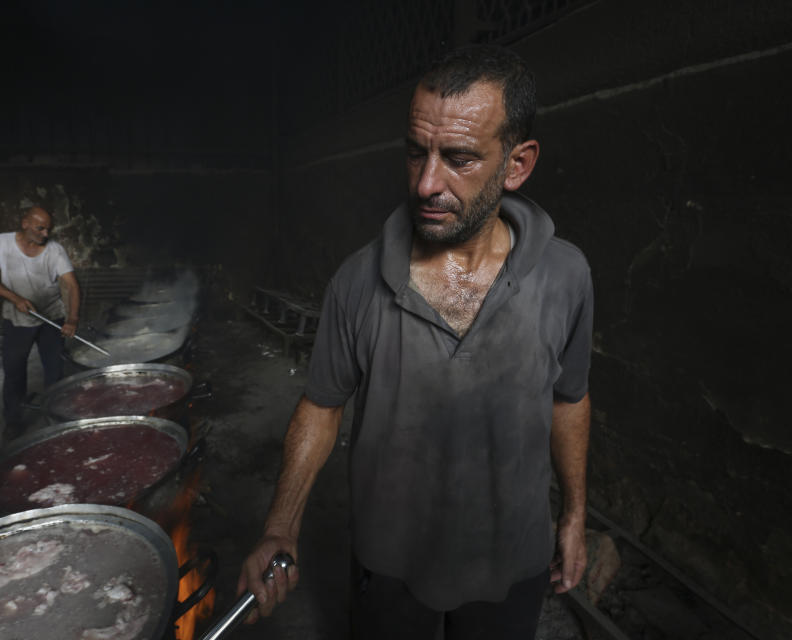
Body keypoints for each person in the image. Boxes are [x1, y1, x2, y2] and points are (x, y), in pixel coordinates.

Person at [238, 45, 593, 640]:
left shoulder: (567, 276)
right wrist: (282, 526)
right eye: (415, 152)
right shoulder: (358, 280)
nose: (428, 182)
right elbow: (322, 408)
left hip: (513, 559)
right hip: (389, 563)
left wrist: (576, 516)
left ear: (517, 164)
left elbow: (570, 399)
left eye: (458, 158)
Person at [0, 206, 80, 437]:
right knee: (14, 371)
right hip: (17, 319)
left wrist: (73, 318)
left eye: (48, 229)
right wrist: (15, 298)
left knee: (55, 370)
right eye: (40, 228)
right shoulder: (2, 243)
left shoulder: (55, 250)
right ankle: (13, 421)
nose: (46, 233)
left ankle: (56, 415)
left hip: (51, 317)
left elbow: (72, 285)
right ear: (25, 223)